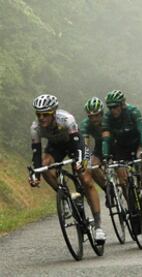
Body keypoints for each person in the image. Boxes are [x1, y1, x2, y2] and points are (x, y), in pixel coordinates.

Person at [29, 94, 106, 242]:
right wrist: (35, 176)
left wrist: (79, 162)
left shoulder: (67, 119)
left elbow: (78, 145)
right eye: (38, 114)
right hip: (56, 147)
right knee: (44, 167)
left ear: (54, 112)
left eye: (46, 114)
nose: (42, 117)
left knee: (85, 178)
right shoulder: (35, 128)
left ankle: (98, 227)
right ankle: (64, 197)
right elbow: (36, 155)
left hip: (75, 145)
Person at [80, 97, 107, 201]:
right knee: (93, 167)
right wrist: (85, 161)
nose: (94, 119)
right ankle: (108, 190)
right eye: (91, 116)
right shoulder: (85, 124)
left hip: (115, 145)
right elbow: (85, 145)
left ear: (102, 113)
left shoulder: (108, 119)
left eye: (97, 115)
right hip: (100, 146)